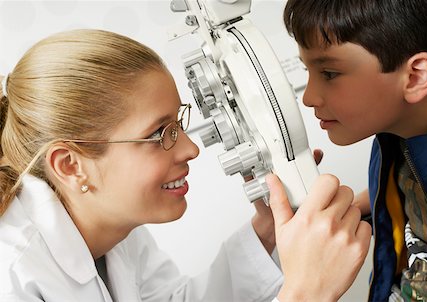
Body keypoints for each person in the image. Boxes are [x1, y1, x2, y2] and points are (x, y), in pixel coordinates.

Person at [0, 29, 371, 302]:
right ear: (70, 165)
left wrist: (268, 231)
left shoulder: (115, 233)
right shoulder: (12, 278)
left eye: (179, 123)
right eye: (160, 133)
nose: (191, 149)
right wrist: (306, 294)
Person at [283, 0, 427, 301]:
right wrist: (360, 207)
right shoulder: (395, 137)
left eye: (329, 73)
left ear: (416, 77)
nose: (308, 97)